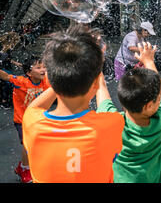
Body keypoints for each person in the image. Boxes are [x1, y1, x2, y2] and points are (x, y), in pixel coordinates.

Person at [22, 25, 124, 183]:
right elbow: (104, 97)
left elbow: (35, 107)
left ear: (52, 80)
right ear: (94, 85)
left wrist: (58, 79)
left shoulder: (32, 122)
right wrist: (97, 66)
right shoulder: (111, 124)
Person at [97, 42, 161, 183]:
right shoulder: (160, 120)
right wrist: (149, 60)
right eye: (157, 99)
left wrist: (97, 65)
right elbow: (159, 90)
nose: (160, 98)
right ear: (149, 105)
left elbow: (101, 89)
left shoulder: (112, 124)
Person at [0, 56, 50, 183]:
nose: (43, 69)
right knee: (29, 145)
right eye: (38, 67)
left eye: (44, 67)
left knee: (37, 145)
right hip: (22, 120)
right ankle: (25, 169)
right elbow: (6, 76)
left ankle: (21, 167)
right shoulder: (21, 82)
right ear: (29, 73)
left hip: (39, 120)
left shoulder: (47, 82)